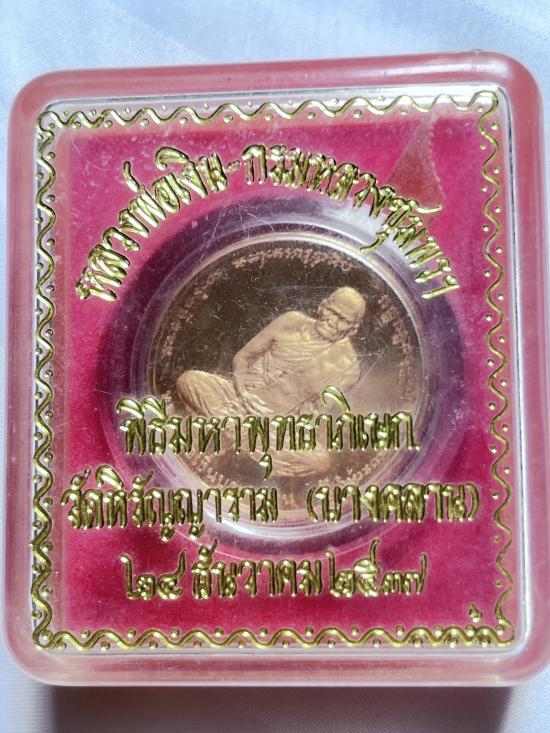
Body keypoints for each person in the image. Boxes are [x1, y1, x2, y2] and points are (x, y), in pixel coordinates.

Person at [176, 287, 366, 476]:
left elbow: (315, 416)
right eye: (332, 312)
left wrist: (278, 424)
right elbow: (243, 357)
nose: (333, 322)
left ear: (353, 329)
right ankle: (245, 443)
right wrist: (244, 394)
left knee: (319, 461)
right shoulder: (291, 321)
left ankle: (234, 434)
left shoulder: (348, 367)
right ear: (322, 306)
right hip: (239, 399)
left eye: (343, 320)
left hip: (272, 427)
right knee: (190, 381)